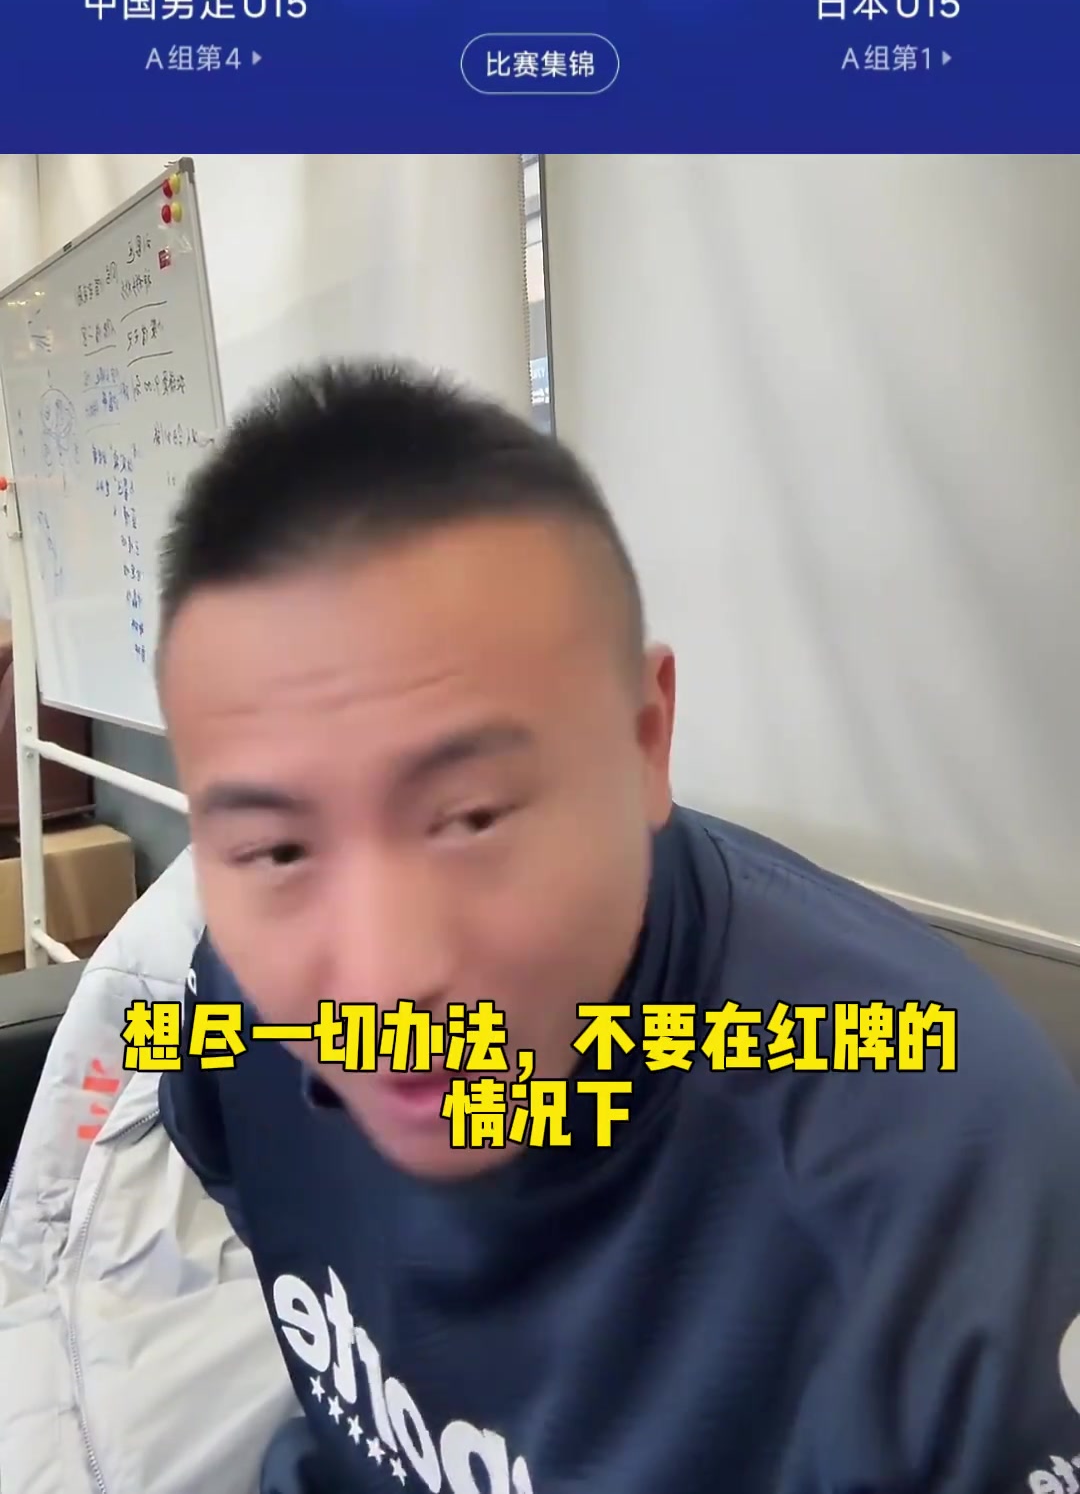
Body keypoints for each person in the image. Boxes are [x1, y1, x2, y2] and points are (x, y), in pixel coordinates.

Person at [157, 360, 1080, 1494]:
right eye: (279, 849)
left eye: (471, 817)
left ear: (647, 738)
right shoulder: (230, 1007)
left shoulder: (942, 1160)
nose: (384, 984)